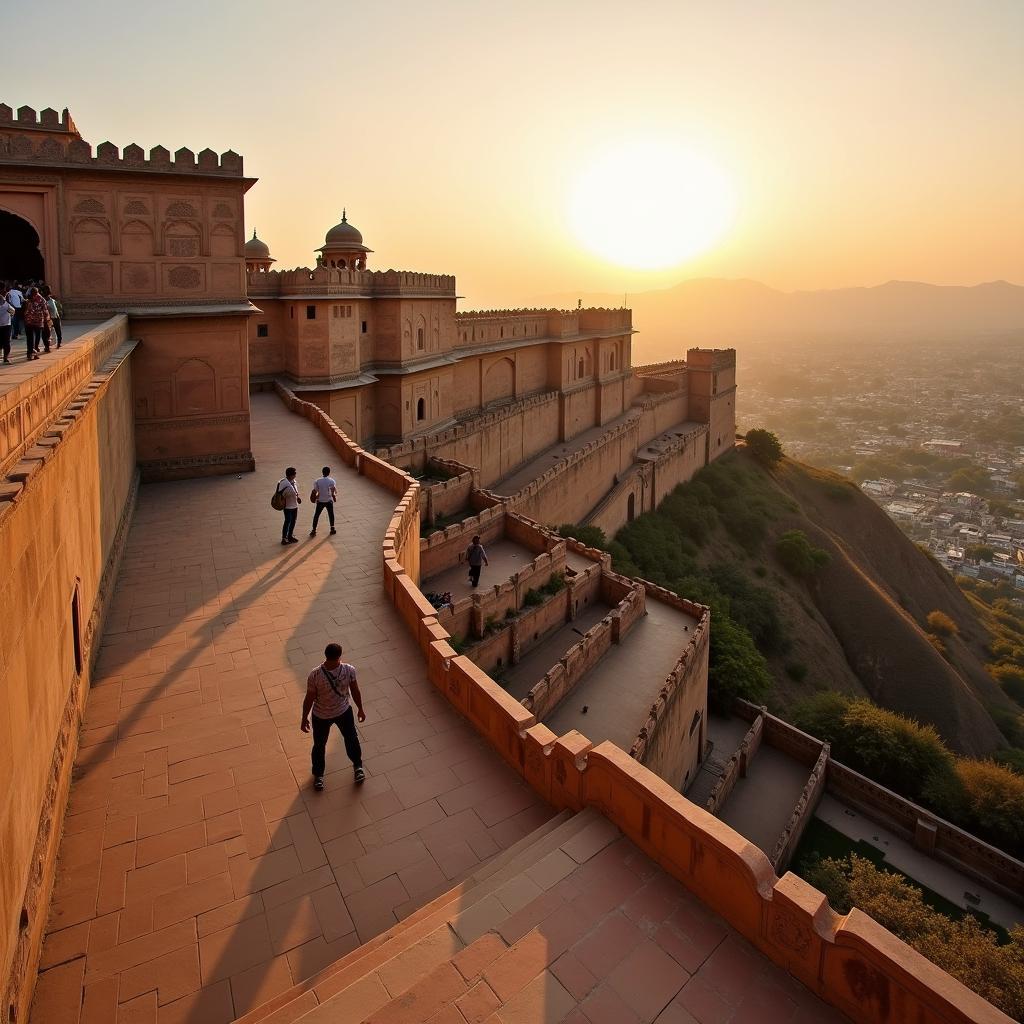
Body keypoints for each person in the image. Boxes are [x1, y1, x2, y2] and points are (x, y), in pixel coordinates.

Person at [301, 642, 366, 790]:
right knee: (351, 739)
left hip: (320, 715)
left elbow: (309, 698)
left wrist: (304, 717)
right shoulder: (349, 670)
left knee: (319, 746)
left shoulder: (315, 675)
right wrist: (360, 709)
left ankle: (319, 776)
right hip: (344, 711)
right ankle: (358, 767)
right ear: (339, 656)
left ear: (326, 655)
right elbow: (355, 691)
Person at [22, 286, 51, 359]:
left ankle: (30, 353)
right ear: (37, 292)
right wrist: (47, 320)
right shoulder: (41, 299)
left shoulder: (28, 300)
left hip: (29, 322)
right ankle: (33, 353)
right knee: (36, 338)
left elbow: (24, 311)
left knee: (30, 338)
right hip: (37, 323)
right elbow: (45, 310)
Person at [309, 466, 338, 537]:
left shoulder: (317, 481)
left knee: (316, 515)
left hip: (320, 501)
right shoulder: (332, 481)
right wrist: (334, 497)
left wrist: (315, 498)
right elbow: (333, 491)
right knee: (331, 514)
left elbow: (315, 491)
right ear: (329, 473)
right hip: (329, 500)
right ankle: (332, 528)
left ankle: (314, 530)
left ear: (322, 472)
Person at [276, 467, 301, 545]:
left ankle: (290, 536)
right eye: (295, 473)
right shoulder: (284, 483)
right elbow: (280, 494)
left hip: (294, 505)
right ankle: (284, 538)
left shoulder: (294, 481)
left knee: (293, 521)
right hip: (287, 506)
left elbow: (295, 491)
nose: (295, 475)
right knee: (287, 521)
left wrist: (297, 497)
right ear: (291, 475)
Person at [0, 289, 14, 363]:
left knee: (4, 343)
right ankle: (5, 358)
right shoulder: (6, 305)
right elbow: (13, 312)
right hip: (6, 325)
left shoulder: (6, 305)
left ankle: (5, 357)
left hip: (5, 326)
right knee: (6, 342)